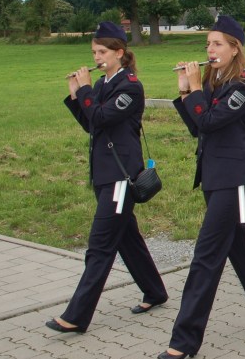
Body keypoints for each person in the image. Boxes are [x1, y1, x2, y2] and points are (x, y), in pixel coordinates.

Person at [159, 15, 245, 359]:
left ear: (234, 49)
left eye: (217, 44)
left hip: (232, 178)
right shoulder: (215, 84)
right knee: (240, 250)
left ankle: (185, 338)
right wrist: (186, 91)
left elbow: (209, 120)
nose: (210, 50)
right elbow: (197, 128)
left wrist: (195, 88)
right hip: (212, 176)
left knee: (205, 257)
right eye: (208, 44)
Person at [47, 22, 168, 334]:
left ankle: (76, 316)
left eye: (102, 52)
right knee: (127, 238)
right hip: (104, 172)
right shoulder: (102, 84)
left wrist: (85, 90)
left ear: (119, 53)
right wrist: (76, 96)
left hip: (121, 175)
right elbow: (92, 125)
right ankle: (155, 291)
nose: (96, 57)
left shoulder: (130, 86)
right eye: (94, 52)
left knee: (99, 247)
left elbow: (101, 116)